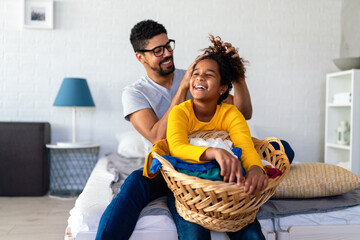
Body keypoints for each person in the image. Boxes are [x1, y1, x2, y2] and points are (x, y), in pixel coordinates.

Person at [96, 19, 291, 240]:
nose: (167, 53)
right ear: (140, 57)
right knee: (134, 183)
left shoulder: (199, 78)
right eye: (158, 50)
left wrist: (237, 75)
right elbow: (158, 135)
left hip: (208, 169)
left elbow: (242, 112)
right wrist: (182, 88)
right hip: (167, 167)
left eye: (168, 46)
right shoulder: (137, 92)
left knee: (281, 149)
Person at [150, 35, 267, 240]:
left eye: (209, 74)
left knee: (252, 234)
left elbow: (245, 143)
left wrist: (256, 168)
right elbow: (175, 146)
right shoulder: (180, 112)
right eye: (195, 74)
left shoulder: (230, 112)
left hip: (228, 192)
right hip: (187, 186)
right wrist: (214, 152)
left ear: (222, 88)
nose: (200, 77)